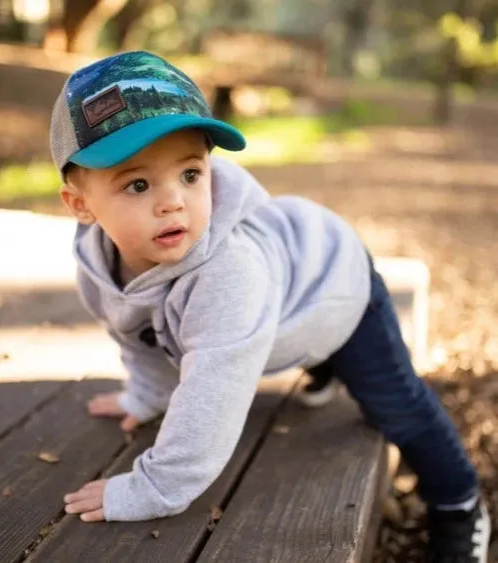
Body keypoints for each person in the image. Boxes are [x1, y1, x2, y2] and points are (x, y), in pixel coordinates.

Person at [50, 50, 490, 562]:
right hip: (276, 302)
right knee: (260, 334)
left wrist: (152, 487)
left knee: (395, 407)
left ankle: (460, 503)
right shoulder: (96, 265)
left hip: (333, 284)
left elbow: (211, 394)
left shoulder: (228, 274)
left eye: (191, 175)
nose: (173, 201)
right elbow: (138, 333)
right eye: (138, 184)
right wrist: (147, 395)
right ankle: (319, 361)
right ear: (80, 206)